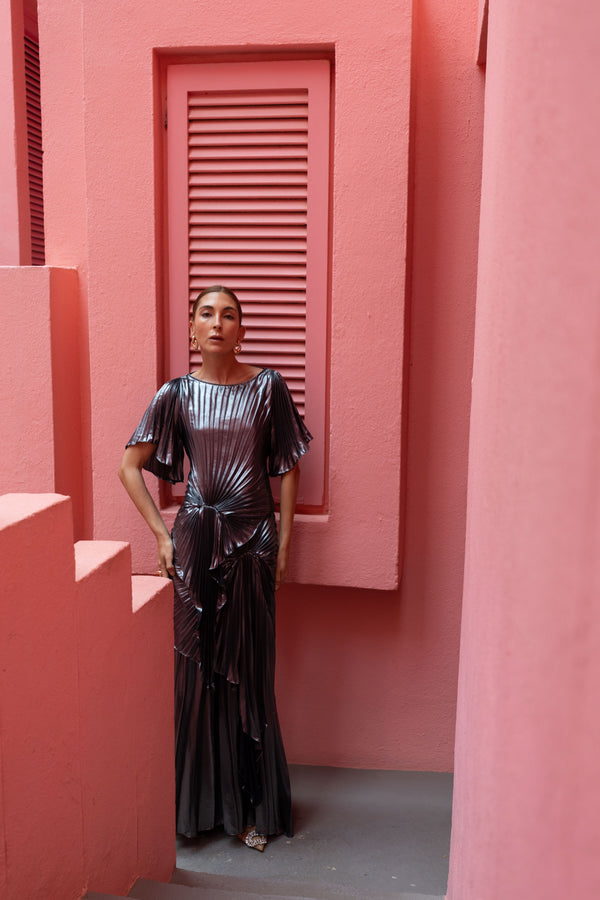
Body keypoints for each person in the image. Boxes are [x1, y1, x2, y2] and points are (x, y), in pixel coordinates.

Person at [118, 285, 311, 851]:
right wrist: (160, 535)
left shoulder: (268, 387)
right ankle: (198, 810)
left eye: (230, 315)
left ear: (242, 330)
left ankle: (253, 810)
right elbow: (129, 467)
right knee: (198, 672)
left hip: (253, 542)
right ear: (193, 329)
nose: (218, 323)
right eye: (208, 314)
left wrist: (286, 543)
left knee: (250, 670)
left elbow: (289, 466)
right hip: (196, 541)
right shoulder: (176, 394)